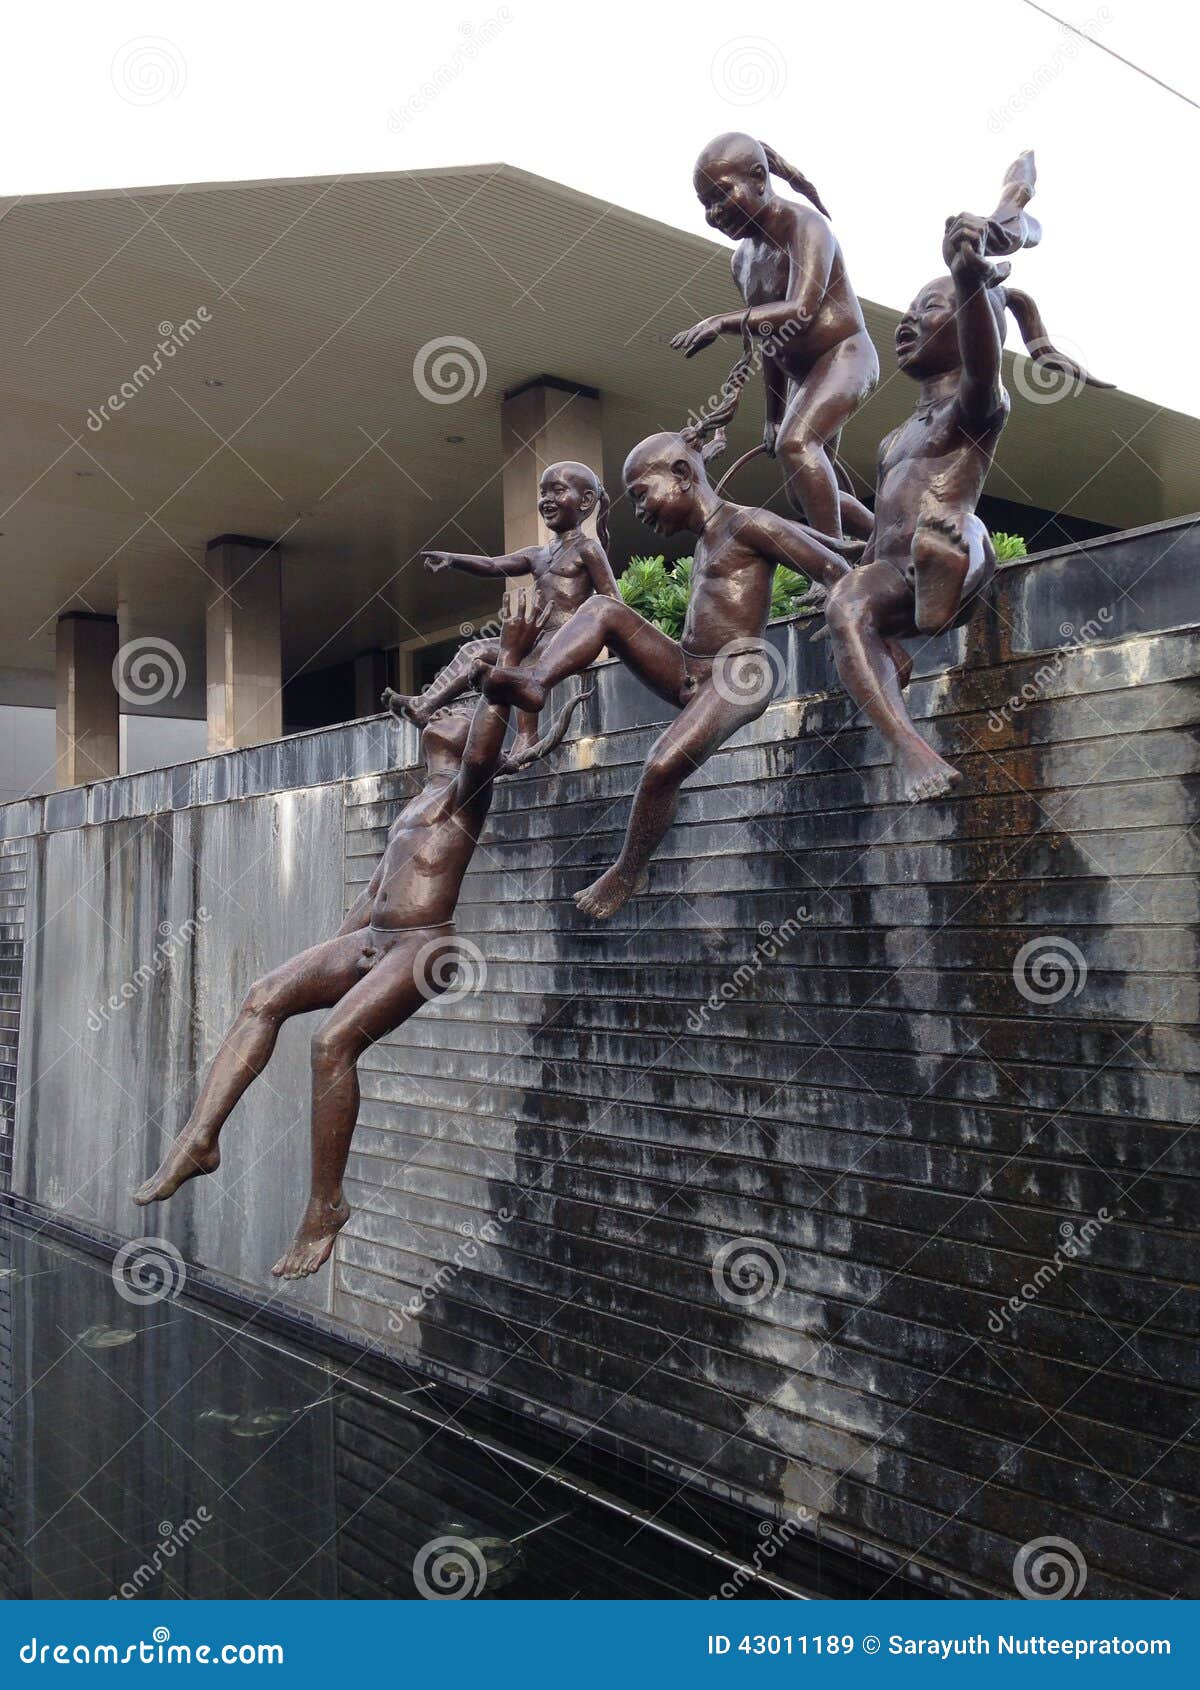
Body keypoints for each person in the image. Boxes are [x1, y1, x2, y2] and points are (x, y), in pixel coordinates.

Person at [133, 591, 581, 1279]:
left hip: (427, 948)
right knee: (264, 995)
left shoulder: (469, 785)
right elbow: (374, 895)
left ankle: (325, 1207)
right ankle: (199, 1140)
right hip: (376, 939)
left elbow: (492, 734)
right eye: (455, 708)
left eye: (467, 712)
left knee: (331, 1042)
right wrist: (329, 960)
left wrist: (514, 656)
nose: (457, 713)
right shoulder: (417, 804)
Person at [477, 421, 858, 918]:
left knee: (660, 765)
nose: (639, 511)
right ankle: (536, 678)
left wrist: (858, 637)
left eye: (641, 495)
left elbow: (835, 571)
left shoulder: (749, 525)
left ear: (681, 475)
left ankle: (628, 870)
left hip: (738, 674)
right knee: (602, 609)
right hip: (686, 667)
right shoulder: (708, 535)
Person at [822, 152, 1110, 800]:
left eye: (927, 309)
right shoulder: (898, 435)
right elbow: (875, 538)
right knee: (844, 598)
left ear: (966, 321)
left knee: (945, 530)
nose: (904, 324)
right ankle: (899, 664)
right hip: (895, 568)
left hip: (951, 543)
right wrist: (847, 544)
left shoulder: (976, 407)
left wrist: (971, 281)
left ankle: (935, 601)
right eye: (906, 312)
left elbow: (984, 364)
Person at [671, 133, 877, 541]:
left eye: (722, 195)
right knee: (806, 489)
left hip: (844, 355)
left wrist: (722, 322)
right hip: (804, 375)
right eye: (706, 204)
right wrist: (772, 414)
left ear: (759, 178)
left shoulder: (805, 226)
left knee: (797, 446)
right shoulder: (741, 261)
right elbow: (771, 339)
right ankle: (885, 542)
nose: (715, 213)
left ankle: (834, 561)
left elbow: (801, 310)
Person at [384, 461, 617, 766]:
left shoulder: (588, 549)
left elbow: (612, 601)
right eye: (542, 492)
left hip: (571, 639)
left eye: (557, 491)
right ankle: (425, 705)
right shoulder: (538, 554)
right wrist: (454, 559)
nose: (546, 499)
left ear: (585, 501)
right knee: (475, 649)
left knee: (523, 662)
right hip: (540, 638)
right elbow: (494, 565)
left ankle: (526, 736)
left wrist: (615, 654)